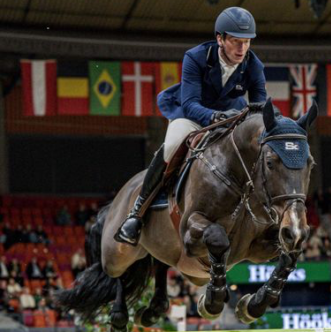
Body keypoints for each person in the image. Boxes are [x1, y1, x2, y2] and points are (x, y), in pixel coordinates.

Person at [114, 7, 267, 245]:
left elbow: (258, 106)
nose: (242, 49)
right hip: (193, 114)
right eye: (236, 42)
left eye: (246, 42)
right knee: (172, 144)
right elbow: (190, 103)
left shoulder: (254, 65)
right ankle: (137, 213)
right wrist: (215, 117)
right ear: (220, 38)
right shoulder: (195, 57)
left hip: (231, 117)